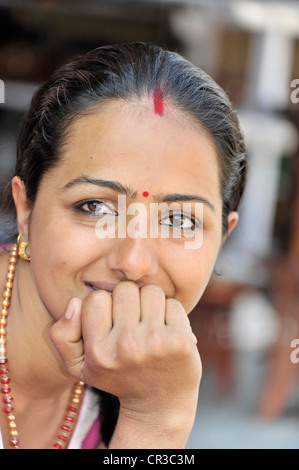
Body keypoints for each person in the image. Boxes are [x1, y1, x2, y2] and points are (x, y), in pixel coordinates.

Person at [0, 41, 247, 449]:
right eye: (95, 206)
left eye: (180, 220)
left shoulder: (145, 378)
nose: (133, 262)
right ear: (26, 208)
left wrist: (155, 412)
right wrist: (156, 421)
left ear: (223, 238)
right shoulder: (151, 393)